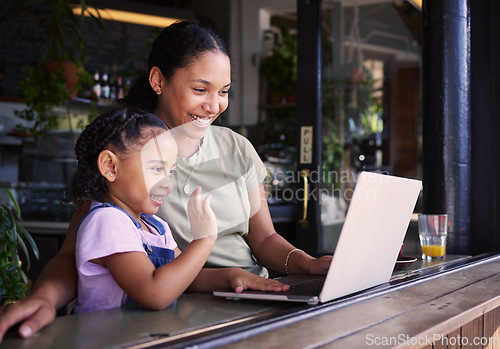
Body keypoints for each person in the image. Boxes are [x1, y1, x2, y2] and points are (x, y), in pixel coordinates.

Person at [0, 20, 331, 340]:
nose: (214, 105)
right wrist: (43, 299)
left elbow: (265, 239)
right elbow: (74, 256)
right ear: (158, 81)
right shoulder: (127, 154)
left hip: (253, 300)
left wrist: (308, 264)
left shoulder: (237, 147)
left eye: (224, 91)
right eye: (200, 89)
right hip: (176, 315)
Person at [67, 107, 218, 313]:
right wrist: (204, 240)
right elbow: (154, 293)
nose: (168, 184)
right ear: (110, 167)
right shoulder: (108, 221)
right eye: (157, 169)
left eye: (171, 171)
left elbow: (186, 278)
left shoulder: (155, 227)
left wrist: (234, 277)